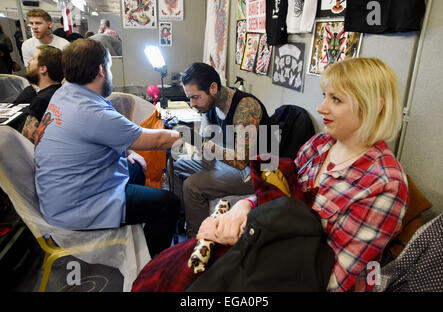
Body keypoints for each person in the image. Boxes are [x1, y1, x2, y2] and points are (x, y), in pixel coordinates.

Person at [131, 57, 409, 292]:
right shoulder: (318, 146)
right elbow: (280, 196)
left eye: (335, 99)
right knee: (180, 171)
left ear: (376, 105)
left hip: (291, 266)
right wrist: (244, 207)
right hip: (273, 237)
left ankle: (195, 235)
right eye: (325, 96)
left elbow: (335, 280)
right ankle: (198, 236)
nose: (321, 108)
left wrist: (249, 237)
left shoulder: (384, 184)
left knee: (193, 187)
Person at [34, 39, 182, 257]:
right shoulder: (91, 112)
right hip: (77, 207)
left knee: (135, 167)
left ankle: (135, 234)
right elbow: (158, 140)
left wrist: (129, 152)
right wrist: (189, 136)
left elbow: (98, 137)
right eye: (110, 68)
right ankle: (150, 270)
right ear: (101, 70)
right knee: (169, 204)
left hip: (60, 195)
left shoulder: (65, 93)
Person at [173, 62, 271, 238]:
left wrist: (199, 142)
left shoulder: (245, 107)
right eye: (190, 98)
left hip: (256, 170)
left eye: (196, 97)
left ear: (213, 88)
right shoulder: (209, 106)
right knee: (178, 164)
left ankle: (196, 240)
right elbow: (207, 143)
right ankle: (183, 219)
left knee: (192, 185)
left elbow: (241, 160)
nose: (192, 103)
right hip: (229, 162)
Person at [15, 45, 63, 143]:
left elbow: (26, 142)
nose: (28, 62)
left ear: (43, 69)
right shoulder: (61, 91)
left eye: (33, 59)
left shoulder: (41, 100)